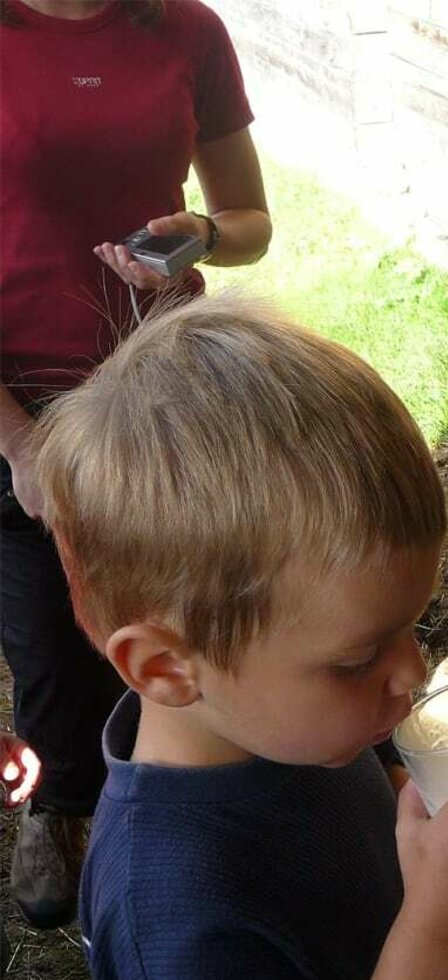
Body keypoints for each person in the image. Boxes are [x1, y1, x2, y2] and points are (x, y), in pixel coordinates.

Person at [33, 294, 448, 979]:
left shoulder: (295, 723)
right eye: (357, 660)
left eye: (411, 627)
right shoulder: (173, 926)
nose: (413, 671)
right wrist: (439, 936)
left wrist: (439, 879)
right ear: (166, 668)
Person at [0, 0, 271, 928]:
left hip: (164, 387)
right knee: (47, 639)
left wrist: (198, 232)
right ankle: (59, 804)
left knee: (192, 606)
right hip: (22, 400)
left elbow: (250, 222)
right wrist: (19, 443)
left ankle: (207, 795)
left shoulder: (188, 30)